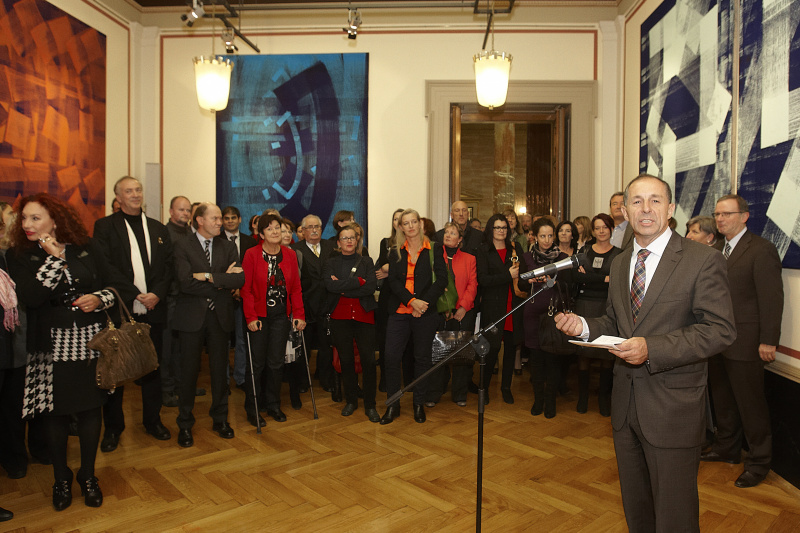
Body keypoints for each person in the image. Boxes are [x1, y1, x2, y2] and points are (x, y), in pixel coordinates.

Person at [555, 174, 736, 532]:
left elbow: (720, 330)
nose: (646, 209)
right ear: (624, 211)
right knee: (637, 511)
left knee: (674, 515)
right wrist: (586, 327)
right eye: (637, 201)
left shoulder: (702, 260)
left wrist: (652, 348)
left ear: (670, 209)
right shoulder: (621, 262)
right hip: (625, 407)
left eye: (655, 200)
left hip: (673, 408)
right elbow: (616, 321)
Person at [8, 194, 133, 511]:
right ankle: (61, 478)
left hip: (90, 344)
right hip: (49, 347)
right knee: (56, 415)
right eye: (24, 218)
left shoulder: (85, 247)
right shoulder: (20, 255)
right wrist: (55, 260)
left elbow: (121, 283)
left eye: (35, 218)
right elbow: (32, 297)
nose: (27, 225)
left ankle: (88, 476)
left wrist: (99, 298)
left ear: (55, 219)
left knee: (92, 411)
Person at [701, 194, 783, 489]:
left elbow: (771, 299)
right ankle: (727, 448)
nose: (720, 219)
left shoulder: (761, 250)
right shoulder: (716, 250)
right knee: (723, 401)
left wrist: (769, 340)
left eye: (726, 214)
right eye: (717, 214)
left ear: (744, 216)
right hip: (716, 341)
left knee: (751, 406)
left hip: (747, 342)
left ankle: (759, 462)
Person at [93, 176, 172, 451]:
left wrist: (156, 294)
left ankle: (153, 421)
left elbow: (167, 268)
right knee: (117, 370)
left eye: (138, 189)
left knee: (153, 367)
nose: (135, 194)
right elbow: (105, 266)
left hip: (154, 309)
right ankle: (113, 428)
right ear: (118, 197)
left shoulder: (158, 228)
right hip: (120, 308)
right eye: (129, 191)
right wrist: (134, 293)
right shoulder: (104, 227)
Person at [172, 203, 244, 447]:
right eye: (214, 218)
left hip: (220, 317)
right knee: (188, 373)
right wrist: (221, 282)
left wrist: (206, 276)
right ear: (199, 220)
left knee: (219, 373)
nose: (220, 222)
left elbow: (239, 278)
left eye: (220, 218)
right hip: (191, 318)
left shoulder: (227, 245)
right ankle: (184, 423)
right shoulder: (182, 244)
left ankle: (220, 419)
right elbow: (184, 283)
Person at [380, 208, 447, 424]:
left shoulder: (434, 248)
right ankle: (393, 405)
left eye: (413, 222)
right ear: (400, 227)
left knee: (422, 359)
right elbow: (393, 283)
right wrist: (411, 301)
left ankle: (419, 404)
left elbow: (442, 280)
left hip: (425, 313)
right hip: (400, 312)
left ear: (420, 224)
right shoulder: (394, 251)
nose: (410, 226)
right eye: (405, 223)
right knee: (390, 358)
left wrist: (422, 303)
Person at [241, 213, 306, 426]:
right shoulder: (251, 254)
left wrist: (299, 315)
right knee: (257, 364)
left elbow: (296, 288)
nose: (276, 231)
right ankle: (253, 407)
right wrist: (250, 317)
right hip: (258, 317)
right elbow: (246, 289)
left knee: (276, 364)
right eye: (270, 228)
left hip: (280, 316)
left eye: (278, 227)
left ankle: (273, 404)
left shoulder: (290, 254)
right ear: (261, 234)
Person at [323, 224, 379, 421]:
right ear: (338, 243)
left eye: (352, 237)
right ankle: (351, 401)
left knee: (369, 361)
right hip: (340, 317)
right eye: (344, 238)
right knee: (346, 360)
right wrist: (358, 282)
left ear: (357, 240)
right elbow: (330, 286)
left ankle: (370, 404)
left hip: (364, 317)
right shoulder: (331, 262)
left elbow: (370, 287)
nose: (349, 241)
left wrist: (343, 287)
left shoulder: (367, 261)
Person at [520, 218, 569, 417]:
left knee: (552, 359)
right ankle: (538, 400)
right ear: (535, 236)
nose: (547, 240)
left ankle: (551, 403)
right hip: (532, 313)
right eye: (543, 236)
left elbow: (568, 285)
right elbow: (522, 286)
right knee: (536, 360)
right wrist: (530, 279)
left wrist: (554, 280)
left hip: (554, 314)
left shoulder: (563, 257)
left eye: (550, 235)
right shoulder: (526, 257)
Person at [425, 222, 478, 407]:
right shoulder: (433, 257)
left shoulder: (470, 258)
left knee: (462, 355)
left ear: (460, 239)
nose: (448, 235)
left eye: (453, 233)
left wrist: (463, 307)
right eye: (446, 232)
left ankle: (460, 394)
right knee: (437, 354)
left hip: (462, 312)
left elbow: (472, 285)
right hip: (439, 311)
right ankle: (434, 393)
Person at [573, 213, 621, 416]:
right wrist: (604, 279)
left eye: (605, 227)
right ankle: (582, 397)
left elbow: (618, 279)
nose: (601, 231)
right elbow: (577, 276)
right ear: (593, 231)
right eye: (598, 228)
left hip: (608, 306)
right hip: (585, 304)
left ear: (611, 229)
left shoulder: (620, 254)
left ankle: (604, 397)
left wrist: (591, 277)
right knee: (584, 351)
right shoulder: (584, 251)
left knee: (605, 353)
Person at [475, 213, 524, 405]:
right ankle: (484, 388)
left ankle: (506, 388)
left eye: (504, 227)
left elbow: (523, 272)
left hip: (514, 304)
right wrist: (507, 274)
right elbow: (483, 280)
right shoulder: (483, 250)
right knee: (491, 349)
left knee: (511, 348)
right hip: (493, 306)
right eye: (497, 227)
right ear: (490, 229)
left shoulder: (515, 247)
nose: (501, 231)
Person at [291, 215, 336, 398]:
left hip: (327, 305)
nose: (314, 230)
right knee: (304, 345)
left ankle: (325, 380)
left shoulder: (331, 248)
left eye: (317, 226)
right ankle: (302, 381)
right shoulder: (294, 250)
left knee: (326, 346)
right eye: (310, 227)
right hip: (306, 306)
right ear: (303, 230)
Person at [162, 196, 197, 406]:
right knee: (167, 348)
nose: (184, 214)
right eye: (180, 210)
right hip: (170, 298)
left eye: (187, 210)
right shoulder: (164, 234)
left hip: (187, 298)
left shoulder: (191, 233)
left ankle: (181, 385)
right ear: (171, 211)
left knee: (182, 347)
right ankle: (166, 389)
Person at [222, 206, 257, 392]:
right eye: (226, 218)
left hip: (244, 296)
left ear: (240, 219)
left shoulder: (250, 242)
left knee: (242, 339)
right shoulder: (216, 241)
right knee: (223, 340)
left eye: (233, 217)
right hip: (223, 297)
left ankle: (241, 377)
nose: (229, 221)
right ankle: (224, 380)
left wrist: (240, 289)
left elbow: (253, 270)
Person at [375, 209, 405, 393]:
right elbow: (380, 268)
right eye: (396, 219)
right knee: (386, 339)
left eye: (402, 219)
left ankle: (408, 380)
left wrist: (390, 267)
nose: (399, 222)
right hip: (388, 295)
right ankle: (385, 379)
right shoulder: (385, 242)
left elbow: (401, 269)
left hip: (407, 295)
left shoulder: (414, 243)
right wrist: (388, 268)